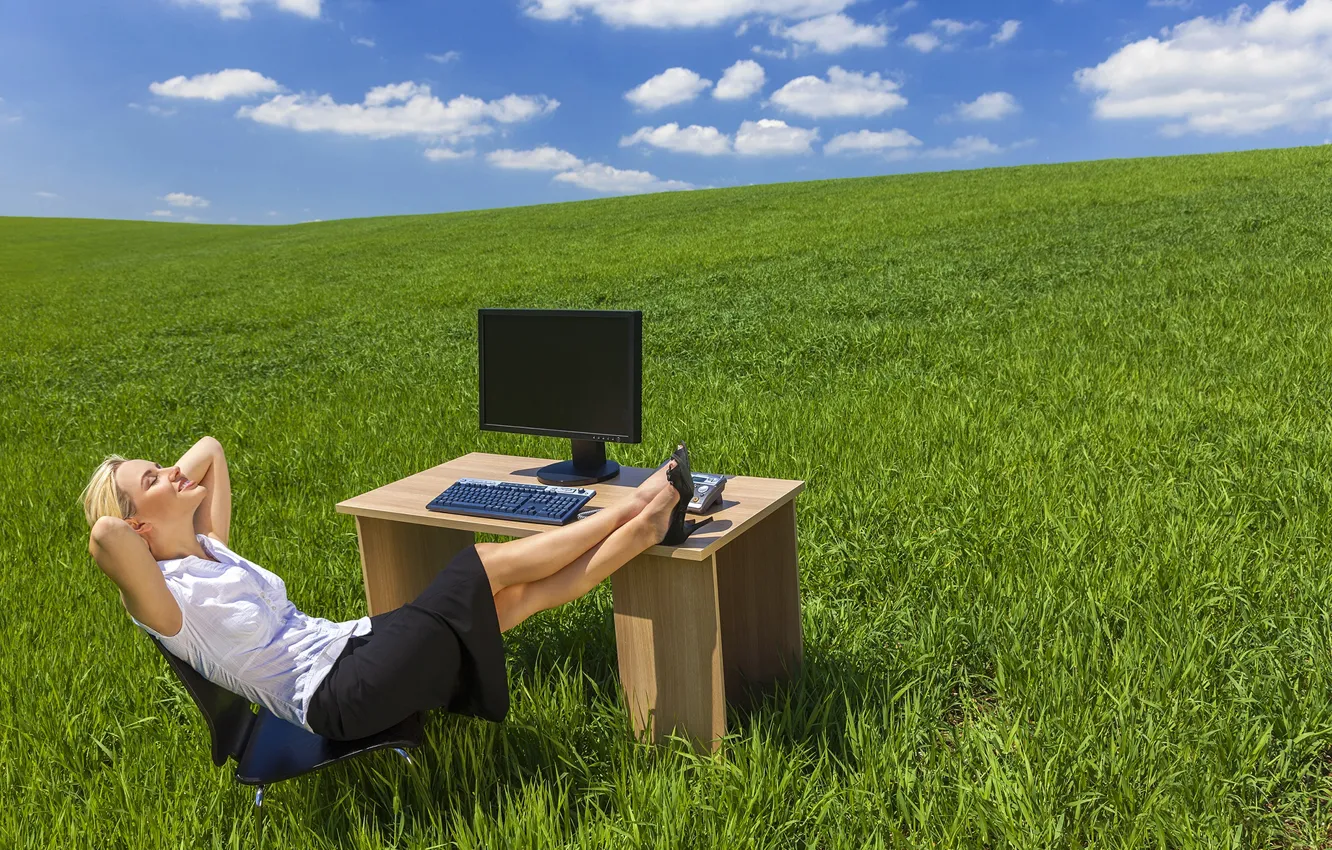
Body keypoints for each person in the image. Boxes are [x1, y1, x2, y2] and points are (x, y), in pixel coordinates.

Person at [81, 435, 692, 742]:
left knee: (510, 603)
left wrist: (167, 490)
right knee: (477, 566)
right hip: (337, 696)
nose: (177, 470)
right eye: (158, 475)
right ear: (140, 524)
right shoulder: (166, 601)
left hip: (354, 648)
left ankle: (643, 527)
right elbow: (106, 535)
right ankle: (633, 505)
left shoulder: (211, 546)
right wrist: (140, 501)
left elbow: (211, 448)